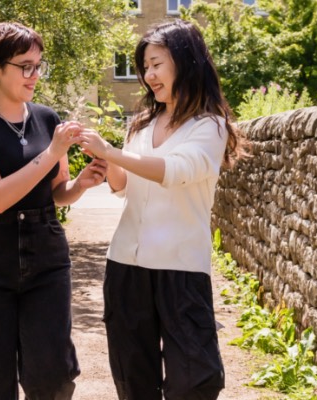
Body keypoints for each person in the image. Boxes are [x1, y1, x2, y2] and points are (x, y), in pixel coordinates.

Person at [77, 19, 248, 400]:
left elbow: (176, 172)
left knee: (194, 378)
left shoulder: (210, 125)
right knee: (132, 376)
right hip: (125, 263)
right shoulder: (141, 123)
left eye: (156, 64)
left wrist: (113, 152)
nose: (148, 75)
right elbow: (122, 186)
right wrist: (106, 161)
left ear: (185, 62)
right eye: (145, 67)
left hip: (180, 267)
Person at [0, 21, 108, 400]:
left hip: (46, 254)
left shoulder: (47, 118)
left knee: (53, 376)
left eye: (39, 65)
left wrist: (81, 185)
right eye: (25, 66)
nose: (34, 75)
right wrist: (53, 152)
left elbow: (56, 191)